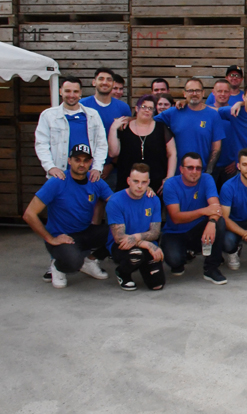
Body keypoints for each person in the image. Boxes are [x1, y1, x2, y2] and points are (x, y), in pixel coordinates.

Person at [23, 144, 114, 289]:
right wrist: (50, 238)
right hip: (61, 236)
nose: (82, 164)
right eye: (77, 160)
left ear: (91, 162)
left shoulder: (95, 180)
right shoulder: (57, 181)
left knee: (120, 232)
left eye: (85, 160)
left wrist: (143, 192)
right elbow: (29, 214)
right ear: (69, 161)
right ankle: (57, 266)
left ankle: (90, 261)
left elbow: (118, 203)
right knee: (73, 263)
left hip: (85, 231)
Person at [160, 153, 228, 284]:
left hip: (198, 230)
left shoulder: (207, 179)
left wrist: (212, 222)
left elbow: (215, 207)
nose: (194, 171)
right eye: (190, 167)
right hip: (175, 232)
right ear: (181, 169)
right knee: (174, 261)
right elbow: (176, 217)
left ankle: (211, 268)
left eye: (198, 168)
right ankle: (184, 256)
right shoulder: (171, 184)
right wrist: (204, 211)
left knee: (219, 222)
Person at [35, 76, 108, 182]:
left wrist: (97, 168)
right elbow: (41, 144)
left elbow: (101, 144)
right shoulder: (48, 115)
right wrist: (50, 167)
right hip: (60, 176)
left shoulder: (93, 115)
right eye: (67, 91)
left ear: (80, 93)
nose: (72, 95)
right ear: (60, 91)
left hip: (88, 176)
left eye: (75, 91)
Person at [105, 163, 165, 291]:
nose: (139, 186)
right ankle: (122, 273)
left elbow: (155, 232)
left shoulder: (154, 200)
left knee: (157, 284)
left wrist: (137, 238)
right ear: (128, 181)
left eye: (144, 182)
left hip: (145, 244)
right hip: (122, 246)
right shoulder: (115, 201)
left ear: (148, 182)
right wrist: (146, 244)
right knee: (136, 255)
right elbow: (119, 238)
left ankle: (144, 266)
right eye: (136, 181)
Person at [108, 94, 176, 194]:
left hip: (156, 183)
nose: (147, 110)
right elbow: (113, 153)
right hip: (127, 183)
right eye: (144, 107)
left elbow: (172, 153)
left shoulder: (161, 128)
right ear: (137, 108)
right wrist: (113, 128)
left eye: (150, 108)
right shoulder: (124, 128)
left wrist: (169, 178)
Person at [155, 78, 224, 172]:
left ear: (203, 93)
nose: (194, 93)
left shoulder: (213, 115)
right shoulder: (174, 112)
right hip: (176, 172)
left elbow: (216, 148)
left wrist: (208, 171)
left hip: (200, 172)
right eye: (190, 90)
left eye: (197, 90)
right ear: (184, 93)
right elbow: (148, 122)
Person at [81, 67, 132, 187]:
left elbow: (126, 141)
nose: (105, 82)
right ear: (94, 82)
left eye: (108, 79)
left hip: (112, 171)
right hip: (85, 168)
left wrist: (112, 165)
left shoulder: (123, 108)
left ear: (113, 83)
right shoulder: (82, 106)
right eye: (101, 79)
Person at [209, 79, 239, 188]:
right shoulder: (205, 111)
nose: (222, 94)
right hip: (209, 165)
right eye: (219, 91)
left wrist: (236, 160)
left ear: (230, 93)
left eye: (226, 91)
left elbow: (243, 137)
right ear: (213, 92)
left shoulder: (236, 112)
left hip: (230, 166)